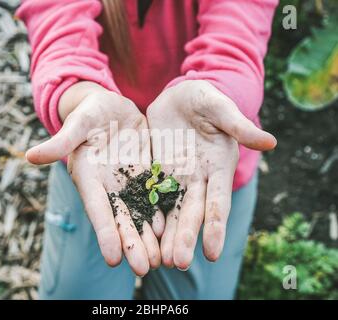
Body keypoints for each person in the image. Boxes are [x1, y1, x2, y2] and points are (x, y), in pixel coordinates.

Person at [16, 0, 278, 299]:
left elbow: (235, 41)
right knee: (79, 291)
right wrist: (79, 97)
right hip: (99, 153)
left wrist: (217, 92)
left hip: (205, 157)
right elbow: (60, 37)